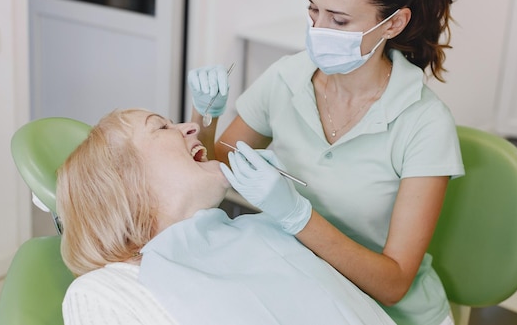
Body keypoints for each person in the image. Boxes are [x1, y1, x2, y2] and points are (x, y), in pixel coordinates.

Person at [188, 0, 465, 325]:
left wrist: (297, 216)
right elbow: (216, 166)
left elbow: (394, 283)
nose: (318, 30)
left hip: (387, 312)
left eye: (338, 20)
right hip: (300, 285)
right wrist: (205, 115)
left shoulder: (424, 124)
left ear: (392, 24)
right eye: (312, 9)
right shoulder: (287, 78)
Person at [57, 108, 397, 325]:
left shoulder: (263, 230)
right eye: (161, 127)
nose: (191, 126)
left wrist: (296, 215)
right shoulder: (107, 291)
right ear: (123, 181)